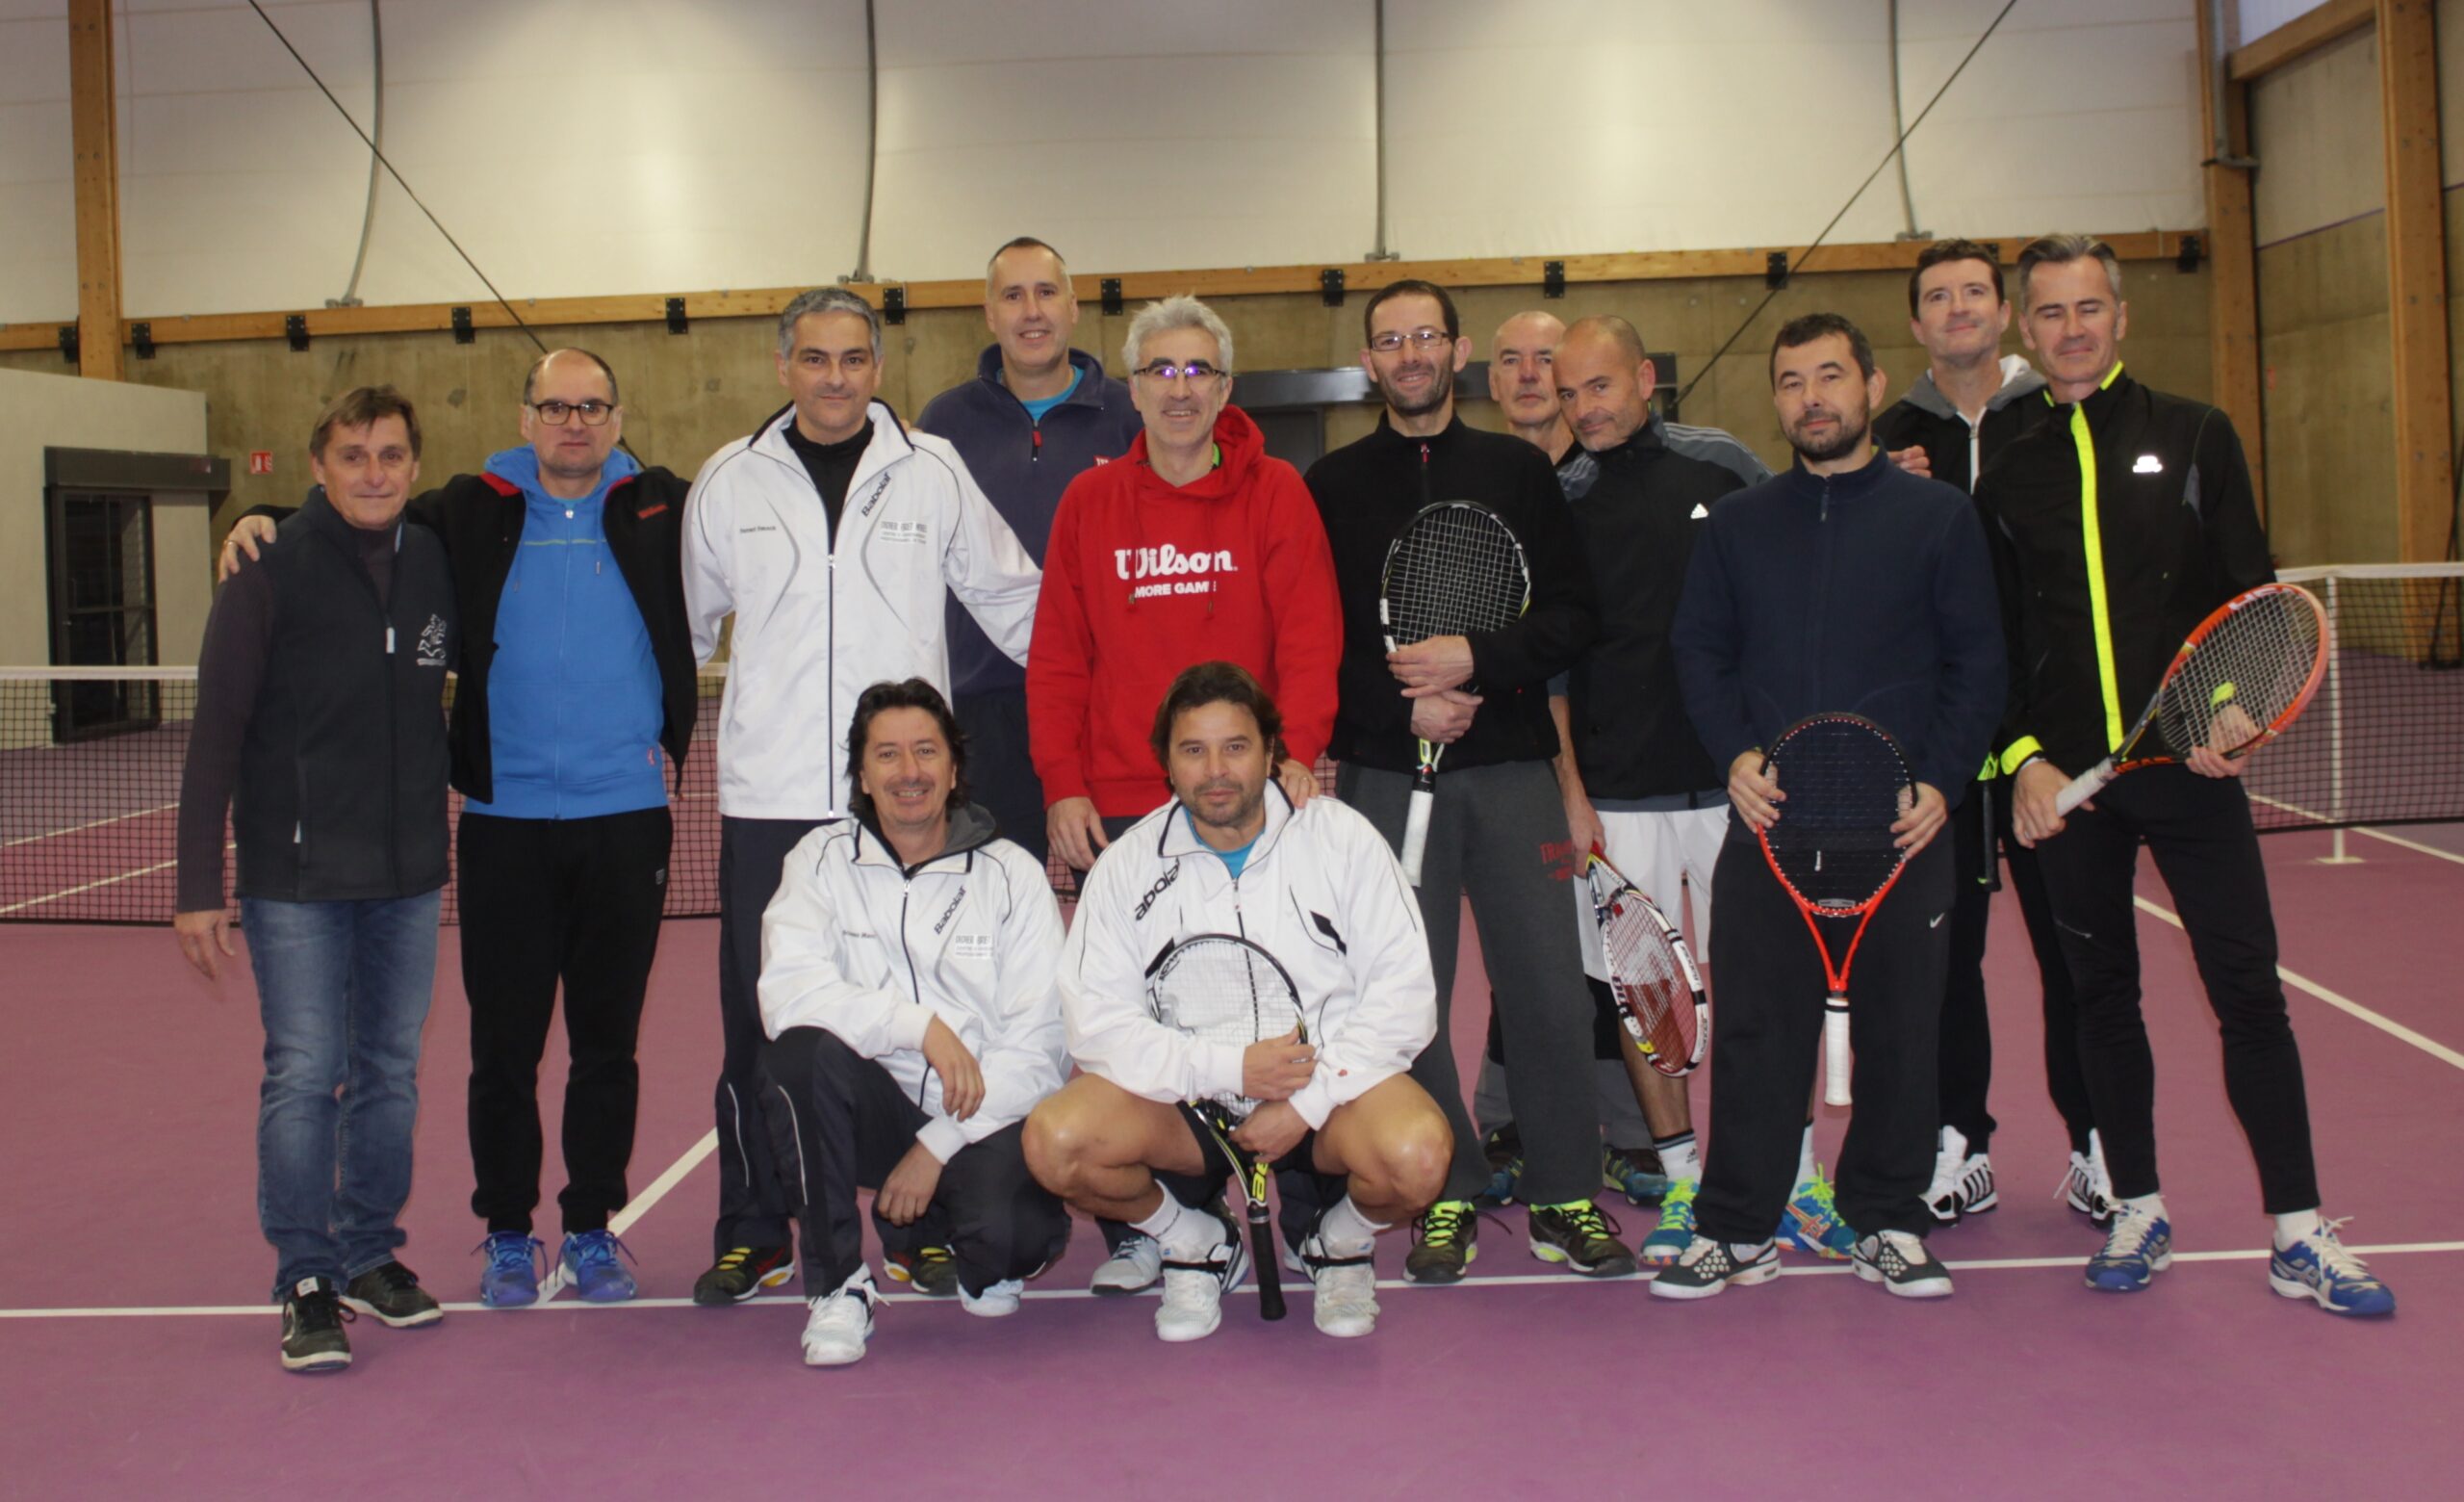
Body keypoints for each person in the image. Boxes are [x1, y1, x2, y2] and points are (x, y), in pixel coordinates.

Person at [225, 349, 699, 1308]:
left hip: (626, 817)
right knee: (504, 1050)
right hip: (502, 822)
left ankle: (593, 1226)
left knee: (607, 1044)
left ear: (616, 418)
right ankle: (508, 1231)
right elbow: (363, 514)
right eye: (555, 406)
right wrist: (261, 514)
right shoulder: (472, 506)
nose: (574, 423)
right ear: (525, 417)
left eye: (592, 407)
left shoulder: (664, 507)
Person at [1981, 234, 2395, 1315]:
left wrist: (2235, 710)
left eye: (2089, 308)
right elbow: (1993, 637)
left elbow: (2251, 598)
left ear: (2120, 318)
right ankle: (2138, 1207)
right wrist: (2022, 760)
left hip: (2189, 771)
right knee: (2099, 999)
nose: (2072, 329)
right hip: (2073, 788)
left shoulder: (2197, 433)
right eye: (2051, 312)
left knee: (2248, 994)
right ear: (2027, 330)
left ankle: (2299, 1231)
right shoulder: (2007, 463)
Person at [682, 286, 1043, 1307]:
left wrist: (1095, 705)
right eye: (814, 358)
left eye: (852, 359)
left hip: (904, 796)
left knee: (924, 1006)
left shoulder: (933, 468)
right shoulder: (729, 480)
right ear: (783, 366)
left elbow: (1014, 599)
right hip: (771, 798)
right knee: (762, 1028)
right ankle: (756, 1229)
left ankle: (915, 1220)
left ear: (878, 368)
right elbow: (691, 621)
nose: (834, 377)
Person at [1660, 312, 2004, 1302]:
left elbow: (1978, 664)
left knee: (1904, 1035)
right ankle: (1737, 1226)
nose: (1811, 398)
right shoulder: (1737, 525)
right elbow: (1699, 651)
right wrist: (1735, 755)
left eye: (1829, 377)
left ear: (1870, 385)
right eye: (1791, 382)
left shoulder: (1938, 518)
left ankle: (1886, 1219)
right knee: (1756, 1036)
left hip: (1901, 830)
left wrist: (1940, 781)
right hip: (1773, 829)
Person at [1305, 278, 1631, 1282]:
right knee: (1407, 993)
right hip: (1384, 774)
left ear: (1457, 350)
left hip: (1511, 769)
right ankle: (1445, 1187)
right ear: (1370, 360)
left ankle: (1565, 1192)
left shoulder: (1517, 472)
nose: (1410, 354)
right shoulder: (1329, 484)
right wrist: (1399, 708)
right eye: (1390, 340)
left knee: (1547, 990)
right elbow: (1317, 640)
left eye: (1426, 336)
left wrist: (1476, 663)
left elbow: (1572, 616)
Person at [1025, 292, 1344, 1294]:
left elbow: (1310, 634)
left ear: (1225, 387)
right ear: (1131, 389)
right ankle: (1163, 1226)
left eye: (1197, 369)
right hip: (1125, 807)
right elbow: (1058, 656)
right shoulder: (1089, 504)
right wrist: (1064, 782)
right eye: (1159, 370)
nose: (1178, 388)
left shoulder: (1277, 493)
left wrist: (1298, 750)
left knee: (1278, 995)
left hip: (1250, 799)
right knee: (1139, 1011)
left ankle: (1305, 1206)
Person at [1024, 662, 1450, 1340]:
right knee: (1056, 1142)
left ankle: (1337, 1242)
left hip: (1326, 1099)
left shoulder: (1341, 839)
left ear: (1272, 751)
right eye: (1194, 750)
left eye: (1236, 747)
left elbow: (1405, 996)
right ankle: (1193, 1240)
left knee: (1419, 1156)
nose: (1216, 770)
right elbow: (1097, 1024)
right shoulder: (1127, 866)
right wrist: (1229, 1069)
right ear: (1167, 763)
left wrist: (1307, 1103)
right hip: (1189, 1104)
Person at [174, 387, 457, 1371]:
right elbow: (216, 731)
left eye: (391, 455)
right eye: (352, 456)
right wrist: (196, 885)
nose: (374, 473)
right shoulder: (266, 567)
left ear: (414, 464)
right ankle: (305, 1276)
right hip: (294, 877)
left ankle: (369, 1253)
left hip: (408, 873)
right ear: (319, 466)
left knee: (389, 1072)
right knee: (304, 1071)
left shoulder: (434, 559)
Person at [1870, 240, 2109, 1228]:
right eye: (1938, 296)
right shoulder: (1886, 434)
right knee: (1944, 957)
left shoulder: (2054, 417)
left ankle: (2098, 1143)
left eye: (1975, 291)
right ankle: (1957, 1140)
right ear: (1917, 323)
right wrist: (1881, 490)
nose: (1958, 307)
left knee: (2073, 950)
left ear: (2003, 313)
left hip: (2045, 745)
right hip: (1941, 743)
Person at [758, 679, 1071, 1365]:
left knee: (1012, 1243)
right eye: (888, 755)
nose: (909, 772)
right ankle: (839, 1285)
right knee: (796, 1057)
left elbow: (1042, 1047)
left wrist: (937, 1145)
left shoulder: (1013, 874)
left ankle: (952, 1229)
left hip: (979, 1112)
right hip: (870, 1109)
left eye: (927, 752)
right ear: (863, 776)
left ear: (954, 769)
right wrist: (916, 1025)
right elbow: (788, 994)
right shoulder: (817, 861)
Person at [918, 237, 1145, 867]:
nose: (1032, 311)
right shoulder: (943, 424)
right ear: (990, 314)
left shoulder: (1132, 416)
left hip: (1105, 704)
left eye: (1046, 292)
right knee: (992, 900)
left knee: (1121, 898)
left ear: (1073, 307)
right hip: (983, 708)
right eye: (1013, 296)